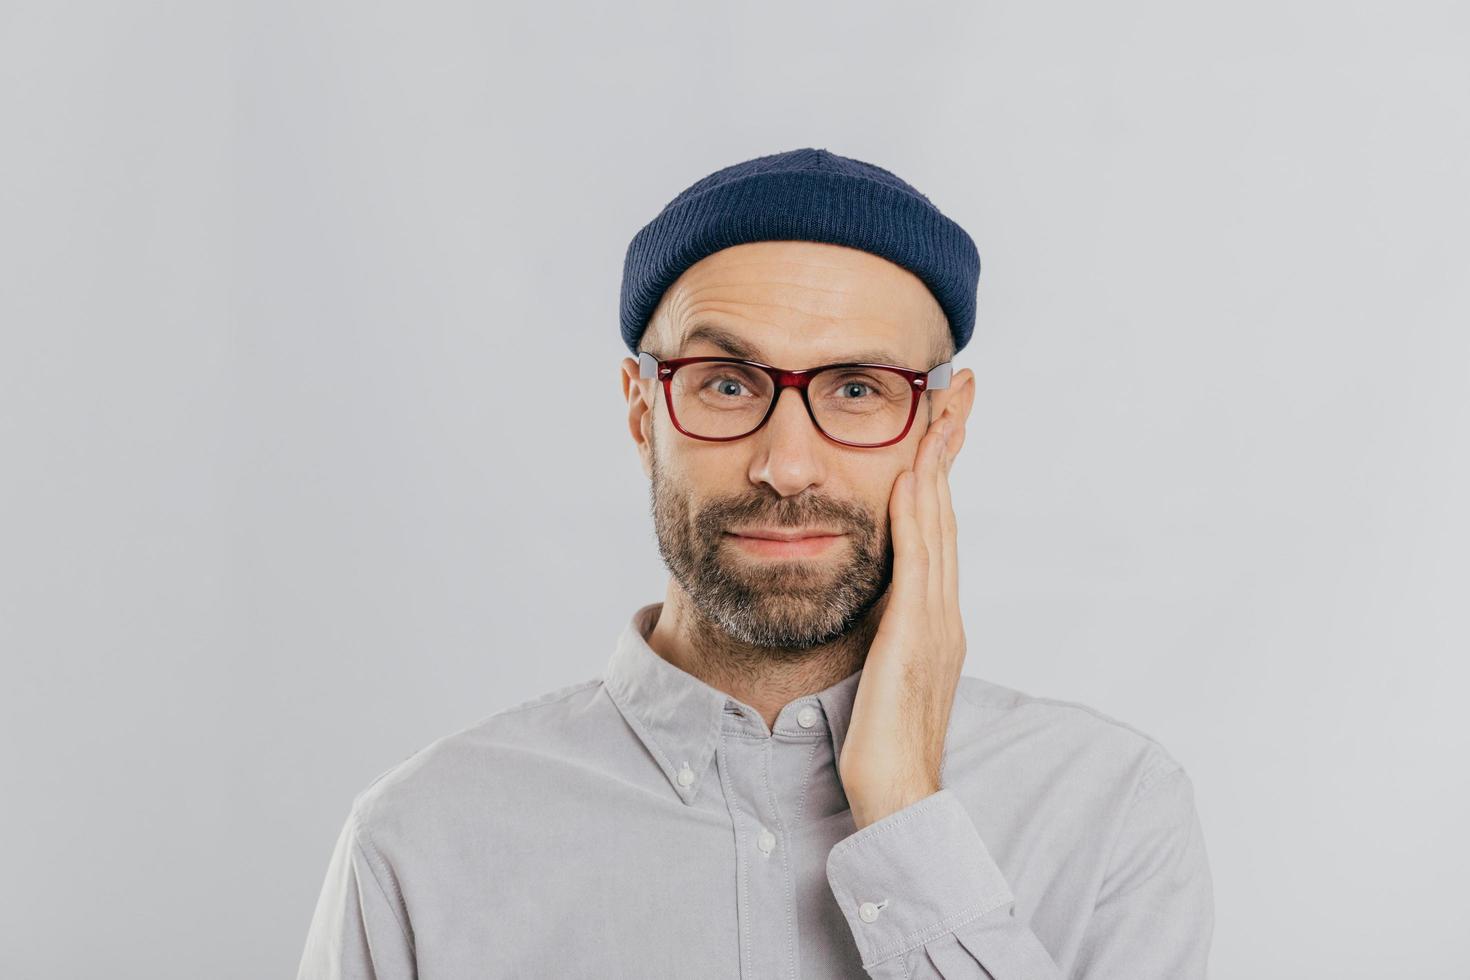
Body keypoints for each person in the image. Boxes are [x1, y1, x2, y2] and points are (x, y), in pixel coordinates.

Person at [296, 147, 1215, 979]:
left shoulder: (1113, 815)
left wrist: (902, 812)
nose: (786, 466)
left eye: (858, 390)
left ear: (946, 423)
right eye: (727, 385)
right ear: (641, 410)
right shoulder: (420, 845)